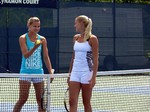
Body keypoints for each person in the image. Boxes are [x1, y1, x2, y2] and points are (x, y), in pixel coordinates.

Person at [13, 17, 53, 112]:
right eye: (34, 26)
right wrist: (35, 47)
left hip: (38, 73)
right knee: (23, 99)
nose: (36, 28)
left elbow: (46, 57)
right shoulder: (22, 38)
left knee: (41, 101)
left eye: (38, 26)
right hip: (25, 72)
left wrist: (50, 71)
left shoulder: (42, 39)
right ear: (29, 26)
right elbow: (26, 55)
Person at [68, 15, 99, 112]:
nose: (74, 25)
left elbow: (95, 59)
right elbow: (73, 57)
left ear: (81, 23)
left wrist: (93, 77)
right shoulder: (76, 38)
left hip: (87, 73)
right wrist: (70, 74)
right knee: (72, 101)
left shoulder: (92, 39)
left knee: (86, 102)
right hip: (75, 73)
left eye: (76, 23)